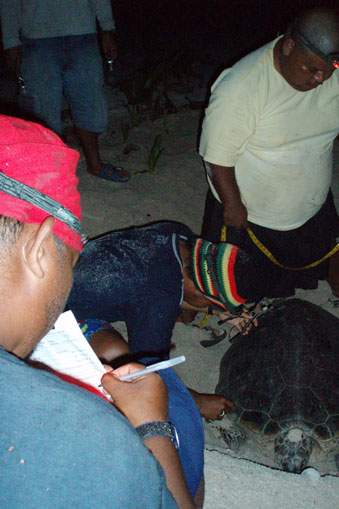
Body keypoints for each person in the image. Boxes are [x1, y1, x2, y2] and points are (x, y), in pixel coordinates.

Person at [0, 115, 200, 508]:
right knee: (172, 397)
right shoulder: (87, 439)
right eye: (71, 263)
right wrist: (153, 427)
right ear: (40, 250)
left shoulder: (169, 237)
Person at [199, 7, 339, 308]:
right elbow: (217, 156)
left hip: (313, 201)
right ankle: (196, 309)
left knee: (327, 243)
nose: (321, 78)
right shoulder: (241, 87)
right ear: (288, 46)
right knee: (229, 283)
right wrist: (232, 205)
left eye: (329, 68)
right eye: (311, 69)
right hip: (252, 213)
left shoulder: (331, 73)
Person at [65, 221, 258, 420]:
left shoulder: (178, 234)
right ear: (199, 292)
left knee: (184, 314)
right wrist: (197, 401)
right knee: (118, 355)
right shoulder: (159, 298)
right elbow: (149, 372)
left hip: (73, 263)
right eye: (212, 304)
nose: (212, 310)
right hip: (57, 311)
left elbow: (175, 290)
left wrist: (215, 309)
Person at [0, 0, 130, 183]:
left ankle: (95, 164)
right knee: (41, 110)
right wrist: (11, 41)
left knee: (90, 103)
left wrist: (107, 28)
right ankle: (50, 172)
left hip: (83, 33)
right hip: (36, 38)